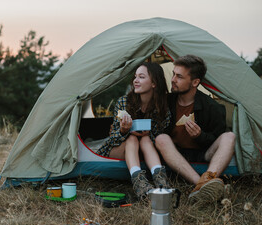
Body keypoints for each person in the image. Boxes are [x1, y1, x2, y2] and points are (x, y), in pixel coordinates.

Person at [155, 55, 236, 203]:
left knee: (229, 137)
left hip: (202, 153)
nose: (173, 79)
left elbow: (216, 139)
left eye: (179, 76)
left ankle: (209, 178)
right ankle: (201, 184)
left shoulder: (212, 107)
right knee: (161, 138)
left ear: (195, 82)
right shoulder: (166, 102)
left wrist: (200, 136)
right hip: (176, 154)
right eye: (173, 74)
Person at [97, 62, 171, 200]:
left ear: (154, 83)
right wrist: (124, 131)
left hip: (146, 148)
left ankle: (161, 181)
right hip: (119, 148)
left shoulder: (161, 107)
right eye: (135, 77)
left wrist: (149, 134)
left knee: (145, 139)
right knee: (132, 138)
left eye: (141, 77)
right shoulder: (123, 102)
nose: (135, 81)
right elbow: (112, 137)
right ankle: (140, 184)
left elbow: (162, 136)